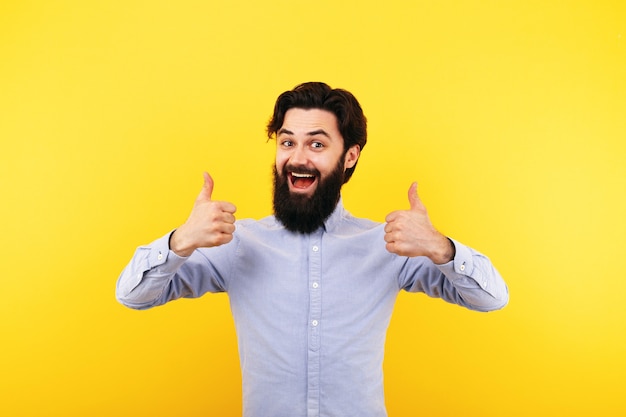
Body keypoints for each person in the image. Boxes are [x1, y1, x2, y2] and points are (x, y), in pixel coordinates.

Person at [116, 82, 508, 417]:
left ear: (350, 155)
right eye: (287, 142)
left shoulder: (389, 244)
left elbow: (492, 299)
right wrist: (179, 242)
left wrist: (441, 248)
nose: (297, 158)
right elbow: (131, 296)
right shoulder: (237, 244)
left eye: (316, 143)